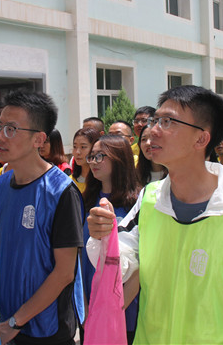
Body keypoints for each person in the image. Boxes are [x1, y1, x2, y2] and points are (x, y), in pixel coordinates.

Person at [87, 85, 223, 343]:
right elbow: (120, 262)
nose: (153, 131)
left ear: (201, 139)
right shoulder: (150, 198)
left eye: (168, 122)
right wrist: (103, 235)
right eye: (155, 120)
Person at [0, 89, 84, 345]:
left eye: (11, 129)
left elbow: (65, 272)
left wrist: (16, 321)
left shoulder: (61, 191)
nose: (0, 137)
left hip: (46, 329)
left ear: (38, 139)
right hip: (5, 324)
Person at [82, 135, 141, 343]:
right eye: (92, 156)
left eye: (100, 156)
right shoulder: (86, 201)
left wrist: (112, 309)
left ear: (119, 158)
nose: (93, 162)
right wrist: (86, 307)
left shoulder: (136, 205)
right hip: (91, 307)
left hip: (124, 310)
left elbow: (140, 265)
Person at [70, 128, 101, 193]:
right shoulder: (69, 182)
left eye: (83, 147)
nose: (77, 152)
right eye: (75, 147)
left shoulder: (103, 183)